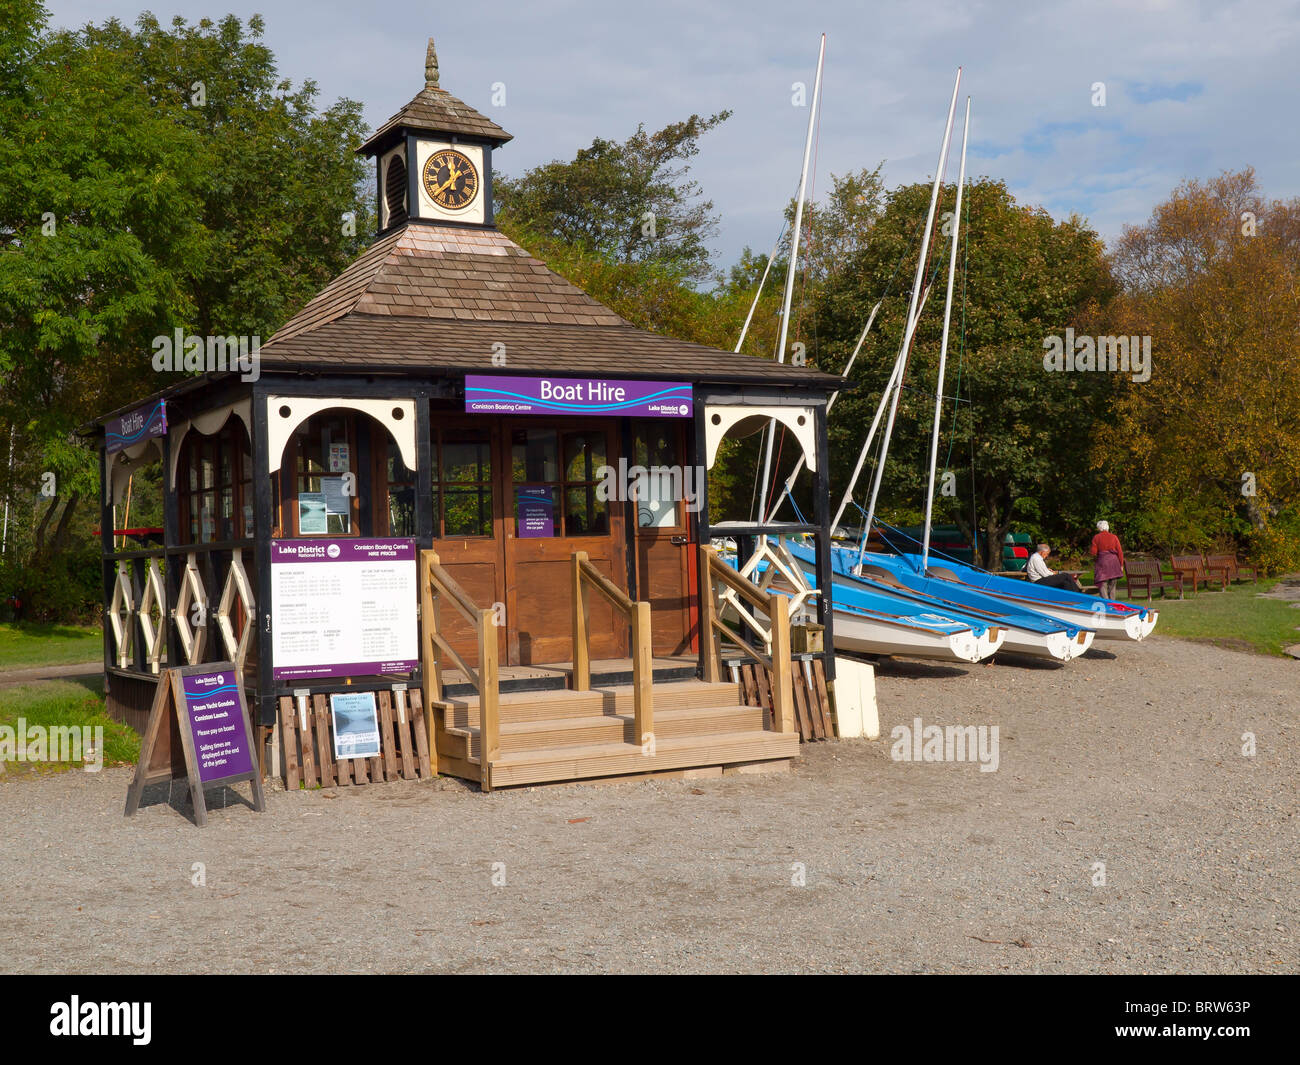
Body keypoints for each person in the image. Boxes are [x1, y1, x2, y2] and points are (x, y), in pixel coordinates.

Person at [1090, 520, 1125, 599]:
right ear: (1107, 527)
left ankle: (1105, 602)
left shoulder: (1096, 537)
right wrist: (1121, 564)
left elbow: (1093, 552)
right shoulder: (1114, 537)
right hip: (1114, 563)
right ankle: (1112, 603)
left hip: (1102, 562)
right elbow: (1120, 552)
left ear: (1099, 528)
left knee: (1102, 584)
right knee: (1112, 585)